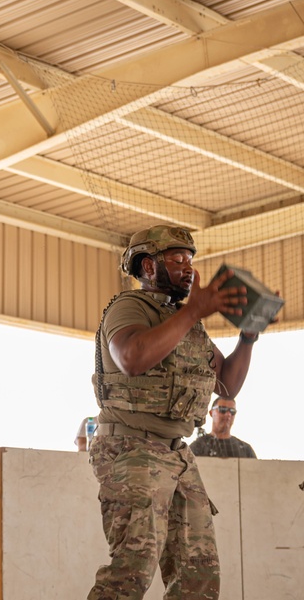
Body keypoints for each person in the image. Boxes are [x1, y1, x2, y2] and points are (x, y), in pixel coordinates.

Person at [87, 225, 263, 599]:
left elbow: (227, 381)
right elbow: (131, 358)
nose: (188, 268)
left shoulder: (188, 323)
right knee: (129, 573)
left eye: (191, 260)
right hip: (131, 449)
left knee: (198, 575)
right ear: (148, 267)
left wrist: (248, 336)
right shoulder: (130, 307)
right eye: (178, 259)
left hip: (177, 455)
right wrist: (193, 311)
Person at [190, 397, 257, 458]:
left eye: (232, 411)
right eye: (222, 409)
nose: (228, 414)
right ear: (211, 413)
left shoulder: (245, 450)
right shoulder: (197, 447)